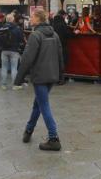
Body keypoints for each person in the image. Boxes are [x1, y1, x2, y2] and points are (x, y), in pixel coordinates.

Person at [14, 9, 64, 151]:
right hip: (52, 75)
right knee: (38, 104)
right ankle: (28, 130)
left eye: (32, 17)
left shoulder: (35, 35)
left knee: (43, 105)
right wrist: (61, 75)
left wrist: (19, 78)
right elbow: (60, 55)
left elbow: (27, 59)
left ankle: (54, 138)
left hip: (40, 76)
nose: (30, 19)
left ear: (38, 19)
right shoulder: (54, 34)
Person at [0, 14, 24, 90]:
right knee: (14, 68)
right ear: (13, 19)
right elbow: (21, 39)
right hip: (14, 50)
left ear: (6, 19)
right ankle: (14, 85)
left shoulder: (2, 28)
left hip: (4, 50)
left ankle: (3, 85)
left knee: (4, 68)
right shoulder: (17, 28)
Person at [52, 11, 74, 84]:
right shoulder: (62, 25)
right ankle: (61, 79)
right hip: (62, 45)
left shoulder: (53, 25)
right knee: (62, 62)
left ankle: (55, 78)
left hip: (53, 46)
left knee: (55, 62)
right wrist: (74, 33)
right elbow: (68, 34)